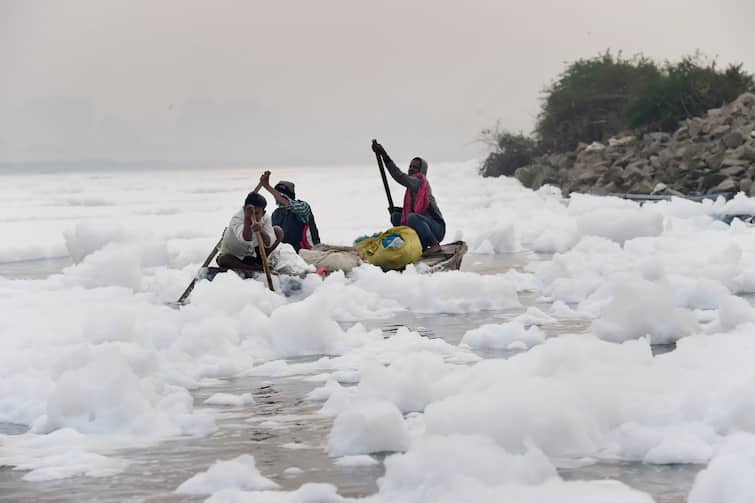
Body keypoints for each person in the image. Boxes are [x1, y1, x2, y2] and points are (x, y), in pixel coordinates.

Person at [371, 140, 445, 254]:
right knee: (396, 216)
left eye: (415, 167)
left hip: (437, 229)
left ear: (421, 171)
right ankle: (417, 244)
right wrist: (395, 211)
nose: (411, 169)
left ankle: (434, 244)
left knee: (412, 218)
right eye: (410, 166)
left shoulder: (419, 182)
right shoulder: (412, 188)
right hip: (422, 224)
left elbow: (399, 176)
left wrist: (384, 155)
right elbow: (415, 212)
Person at [216, 191, 283, 269]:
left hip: (254, 254)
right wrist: (247, 219)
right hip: (236, 255)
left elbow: (269, 243)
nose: (253, 216)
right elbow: (245, 239)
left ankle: (261, 262)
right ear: (244, 209)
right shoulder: (237, 218)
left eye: (257, 213)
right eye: (251, 213)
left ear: (263, 213)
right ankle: (253, 268)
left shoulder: (265, 218)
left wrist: (261, 230)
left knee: (278, 231)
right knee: (224, 259)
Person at [259, 171, 321, 253]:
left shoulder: (303, 207)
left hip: (308, 252)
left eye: (280, 195)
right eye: (276, 194)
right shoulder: (276, 214)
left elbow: (289, 204)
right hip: (287, 254)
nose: (276, 197)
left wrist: (267, 186)